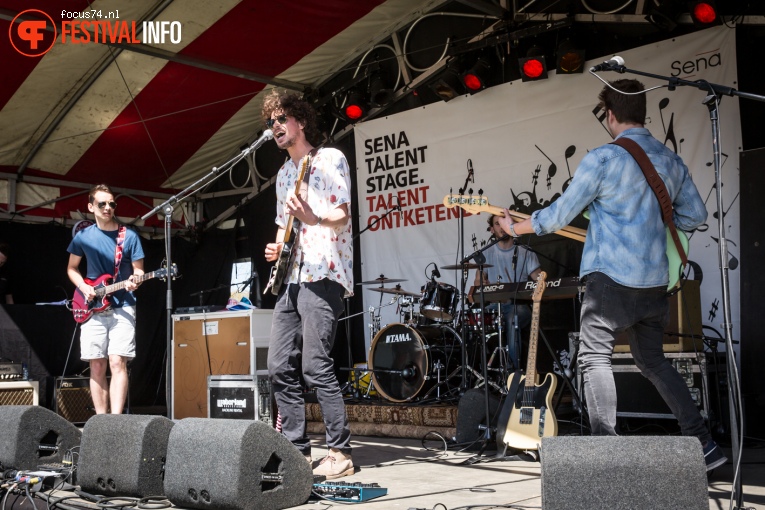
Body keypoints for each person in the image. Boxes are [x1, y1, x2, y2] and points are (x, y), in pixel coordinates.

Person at [497, 79, 726, 471]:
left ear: (610, 114)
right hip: (656, 284)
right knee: (654, 361)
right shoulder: (670, 161)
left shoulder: (603, 159)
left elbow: (556, 216)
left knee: (594, 359)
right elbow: (697, 216)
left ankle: (607, 452)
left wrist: (512, 227)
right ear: (643, 113)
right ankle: (705, 445)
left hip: (610, 283)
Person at [262, 90, 354, 480]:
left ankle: (340, 451)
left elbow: (343, 213)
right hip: (291, 278)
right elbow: (285, 229)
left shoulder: (330, 158)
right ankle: (297, 449)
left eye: (282, 119)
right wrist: (276, 246)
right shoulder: (284, 175)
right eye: (271, 123)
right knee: (278, 363)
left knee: (316, 365)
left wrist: (315, 218)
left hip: (324, 273)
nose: (276, 127)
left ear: (300, 120)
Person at [67, 184, 144, 415]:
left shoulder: (129, 236)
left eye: (112, 203)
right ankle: (101, 421)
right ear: (91, 207)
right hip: (92, 306)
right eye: (102, 204)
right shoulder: (83, 237)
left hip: (123, 305)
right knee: (97, 364)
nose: (108, 207)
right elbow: (72, 268)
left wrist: (136, 280)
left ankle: (116, 421)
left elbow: (139, 271)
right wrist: (84, 287)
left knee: (117, 361)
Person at [469, 214, 541, 370]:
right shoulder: (485, 254)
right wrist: (482, 283)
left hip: (519, 306)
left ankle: (514, 374)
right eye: (497, 224)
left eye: (503, 223)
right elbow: (477, 283)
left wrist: (538, 284)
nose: (501, 227)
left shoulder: (525, 253)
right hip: (494, 308)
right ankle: (477, 374)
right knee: (471, 321)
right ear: (492, 229)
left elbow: (540, 281)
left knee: (513, 317)